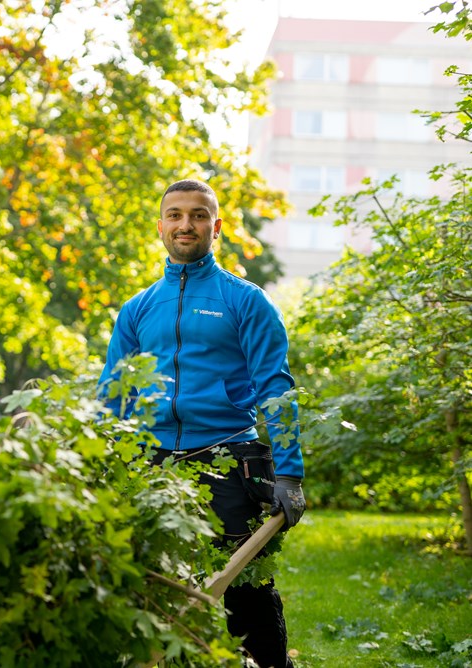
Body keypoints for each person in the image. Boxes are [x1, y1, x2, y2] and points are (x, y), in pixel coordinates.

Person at [97, 178, 306, 668]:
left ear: (216, 228)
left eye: (197, 215)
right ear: (161, 226)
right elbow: (112, 395)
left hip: (228, 461)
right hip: (151, 464)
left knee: (245, 593)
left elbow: (276, 388)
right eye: (175, 215)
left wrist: (290, 473)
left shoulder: (245, 300)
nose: (185, 224)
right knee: (149, 588)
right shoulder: (138, 309)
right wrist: (101, 461)